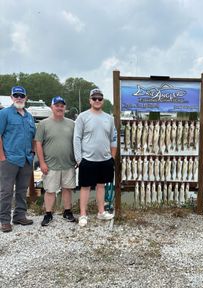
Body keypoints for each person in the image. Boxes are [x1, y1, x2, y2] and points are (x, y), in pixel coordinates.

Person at [74, 88, 117, 227]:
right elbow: (77, 138)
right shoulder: (82, 116)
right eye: (94, 98)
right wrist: (79, 159)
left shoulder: (109, 118)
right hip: (87, 159)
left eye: (99, 98)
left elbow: (113, 139)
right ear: (90, 100)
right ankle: (83, 214)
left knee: (101, 186)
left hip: (105, 159)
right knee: (85, 187)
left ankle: (101, 212)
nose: (97, 101)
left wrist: (112, 157)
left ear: (102, 100)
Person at [35, 96, 76, 226]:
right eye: (57, 105)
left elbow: (77, 142)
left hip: (68, 163)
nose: (59, 107)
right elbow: (38, 144)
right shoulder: (43, 124)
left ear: (65, 107)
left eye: (62, 105)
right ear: (52, 107)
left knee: (67, 189)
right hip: (50, 164)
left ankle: (67, 211)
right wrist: (41, 162)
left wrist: (77, 159)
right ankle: (48, 214)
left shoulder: (72, 123)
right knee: (50, 190)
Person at [0, 86, 36, 232]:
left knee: (22, 190)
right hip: (9, 158)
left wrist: (32, 152)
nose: (19, 98)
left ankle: (19, 215)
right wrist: (2, 157)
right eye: (16, 95)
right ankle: (4, 220)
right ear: (11, 97)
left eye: (22, 95)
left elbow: (34, 136)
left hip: (26, 159)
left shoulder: (29, 116)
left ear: (26, 98)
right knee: (6, 191)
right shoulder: (4, 113)